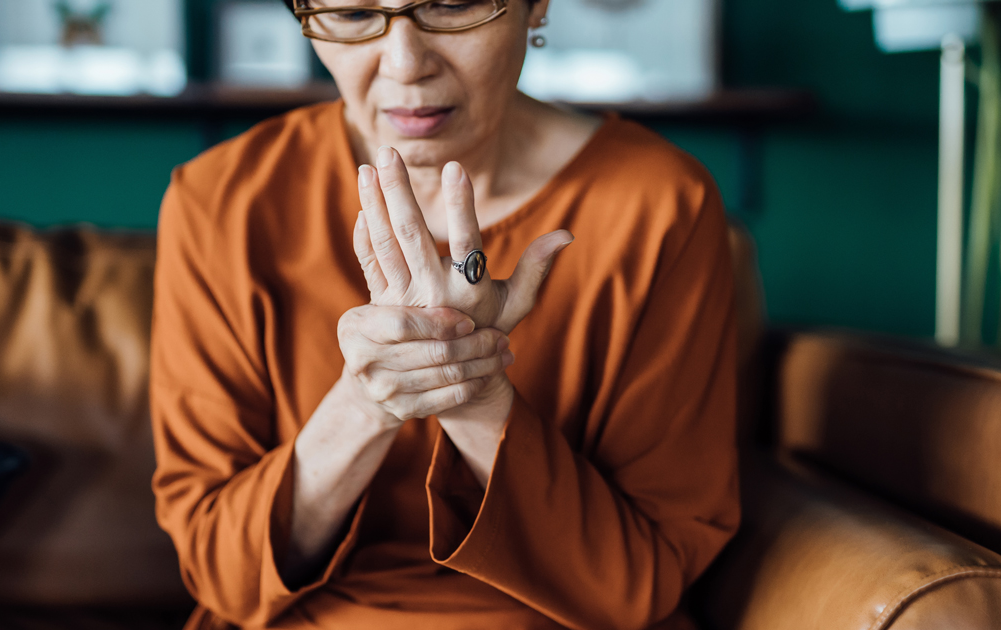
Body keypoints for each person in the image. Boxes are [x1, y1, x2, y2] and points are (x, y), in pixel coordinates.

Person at [149, 0, 740, 628]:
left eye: (453, 6)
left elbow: (641, 584)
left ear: (536, 8)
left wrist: (473, 390)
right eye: (351, 14)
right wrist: (367, 402)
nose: (405, 66)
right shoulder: (221, 201)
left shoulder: (660, 205)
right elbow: (224, 572)